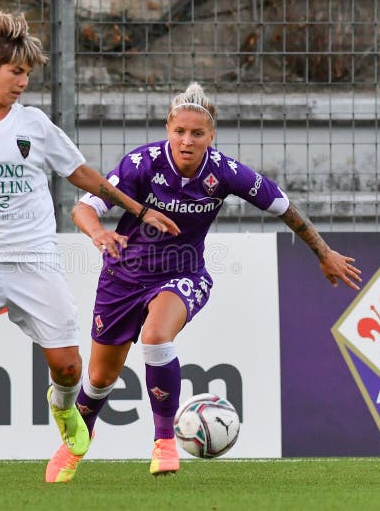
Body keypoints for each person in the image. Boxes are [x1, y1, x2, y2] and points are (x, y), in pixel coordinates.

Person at [0, 11, 179, 492]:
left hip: (34, 260)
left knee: (68, 365)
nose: (23, 82)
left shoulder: (36, 125)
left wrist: (137, 208)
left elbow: (83, 174)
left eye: (27, 73)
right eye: (15, 72)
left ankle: (64, 407)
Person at [45, 82, 362, 482]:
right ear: (168, 130)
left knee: (157, 336)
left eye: (197, 133)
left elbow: (284, 207)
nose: (187, 140)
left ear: (211, 136)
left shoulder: (226, 173)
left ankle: (164, 443)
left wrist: (323, 252)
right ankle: (77, 442)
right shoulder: (141, 164)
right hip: (122, 277)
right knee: (101, 378)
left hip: (184, 273)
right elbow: (85, 207)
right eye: (180, 131)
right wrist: (98, 234)